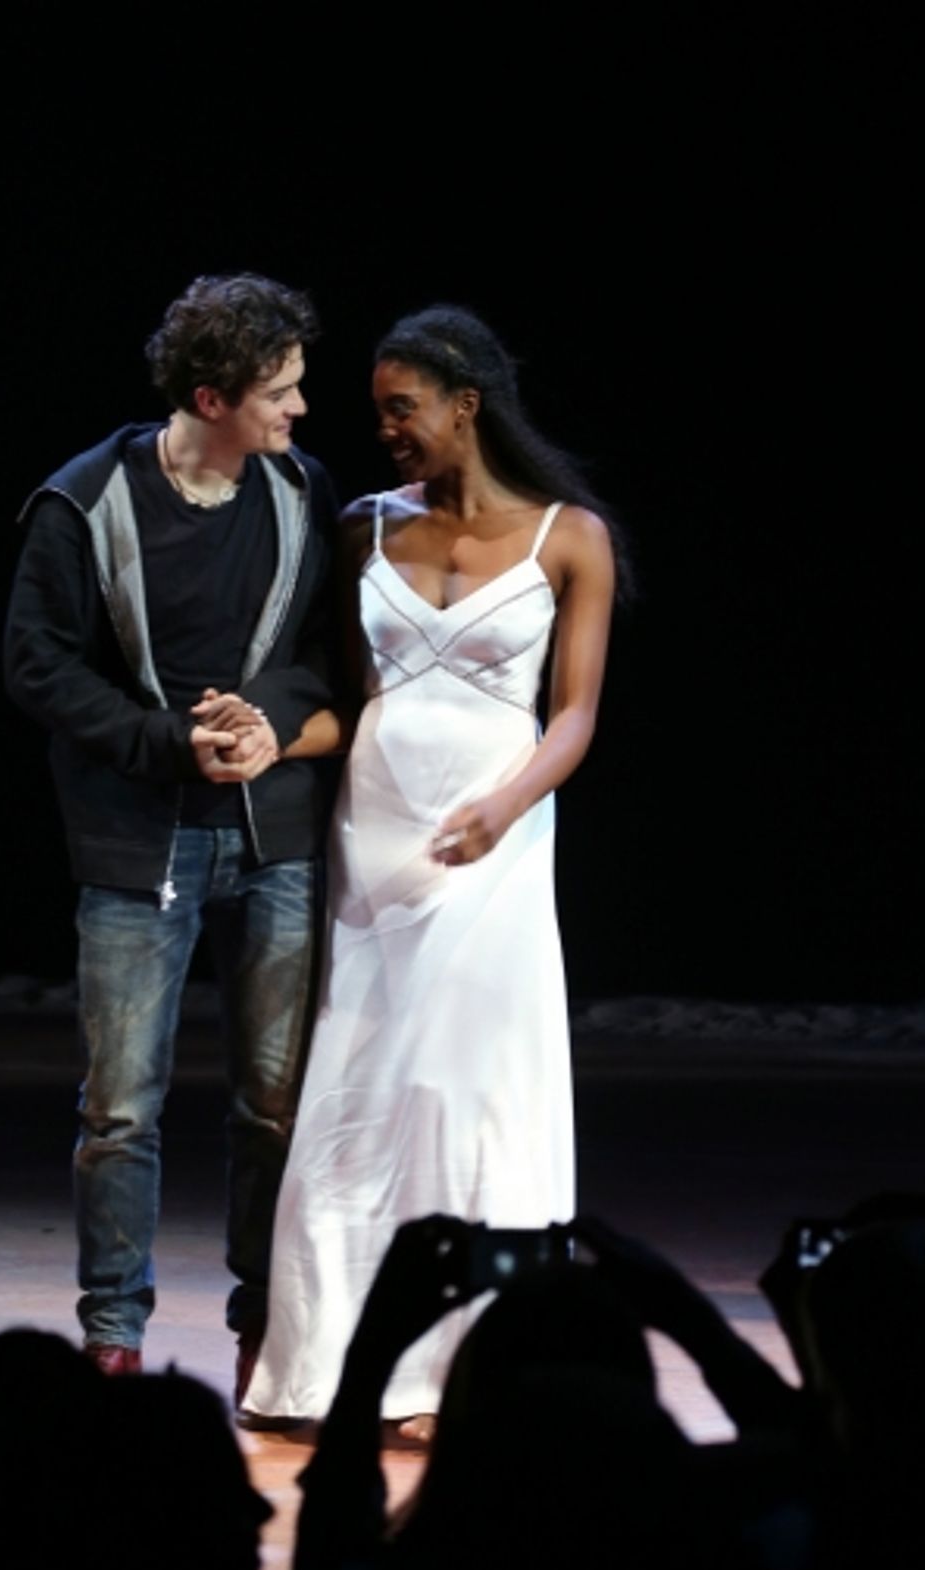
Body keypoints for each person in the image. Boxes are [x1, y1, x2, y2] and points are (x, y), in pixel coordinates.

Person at [240, 305, 623, 1434]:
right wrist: (267, 737)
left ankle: (465, 1373)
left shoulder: (569, 535)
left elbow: (573, 715)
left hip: (492, 846)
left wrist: (502, 807)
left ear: (466, 403)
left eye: (401, 409)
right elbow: (357, 699)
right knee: (361, 1083)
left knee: (468, 1089)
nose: (385, 430)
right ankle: (328, 1365)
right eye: (376, 412)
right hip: (376, 840)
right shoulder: (362, 527)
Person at [3, 274, 343, 1393]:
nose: (299, 409)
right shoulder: (83, 501)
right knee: (120, 1109)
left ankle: (265, 1330)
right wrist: (161, 741)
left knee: (272, 1100)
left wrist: (268, 724)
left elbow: (324, 663)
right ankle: (112, 1339)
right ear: (211, 396)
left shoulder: (298, 494)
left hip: (274, 838)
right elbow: (35, 662)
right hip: (136, 842)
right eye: (279, 392)